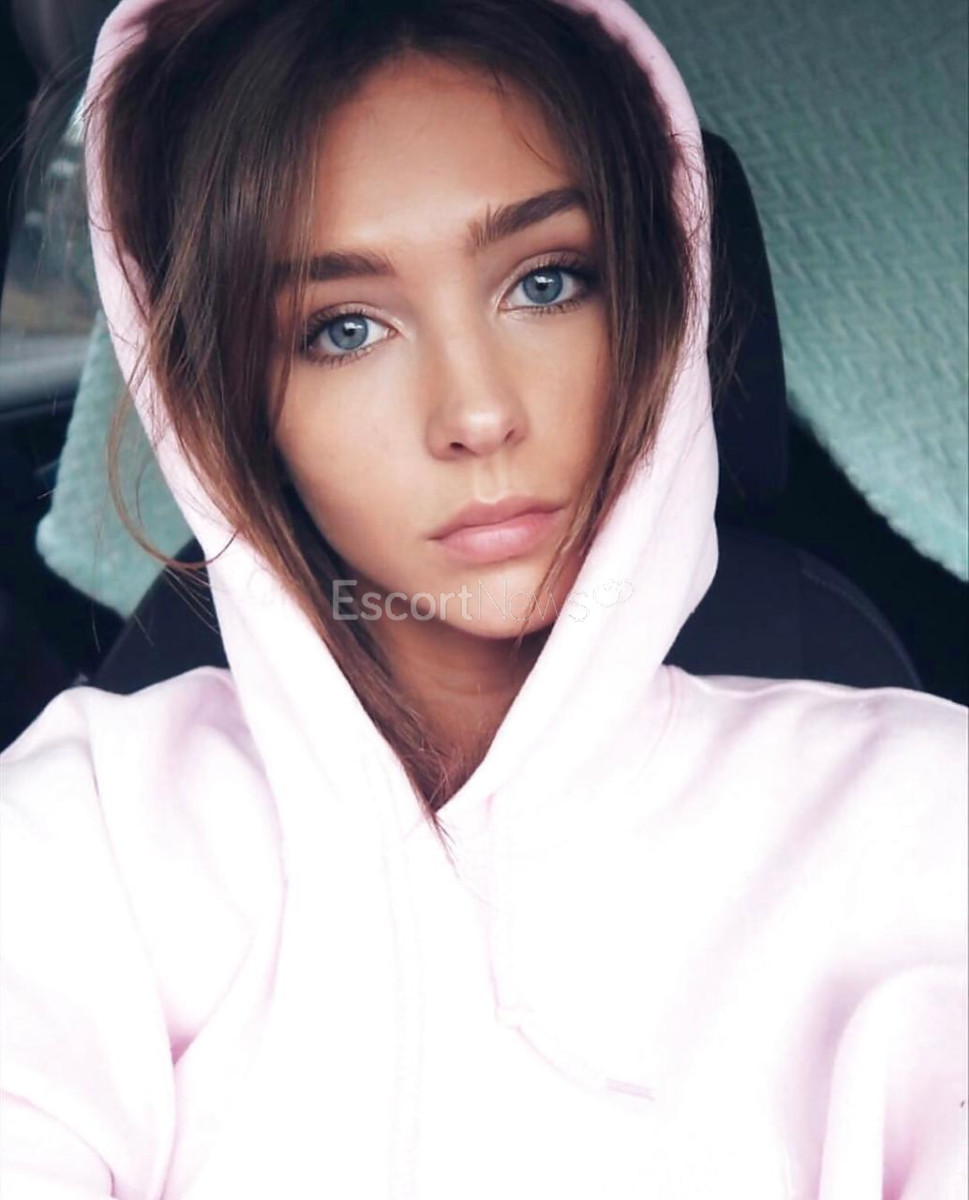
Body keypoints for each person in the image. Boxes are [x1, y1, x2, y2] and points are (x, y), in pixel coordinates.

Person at [1, 0, 965, 1195]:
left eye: (548, 283)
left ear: (658, 295)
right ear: (228, 404)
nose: (477, 412)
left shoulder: (923, 816)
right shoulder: (91, 829)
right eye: (343, 329)